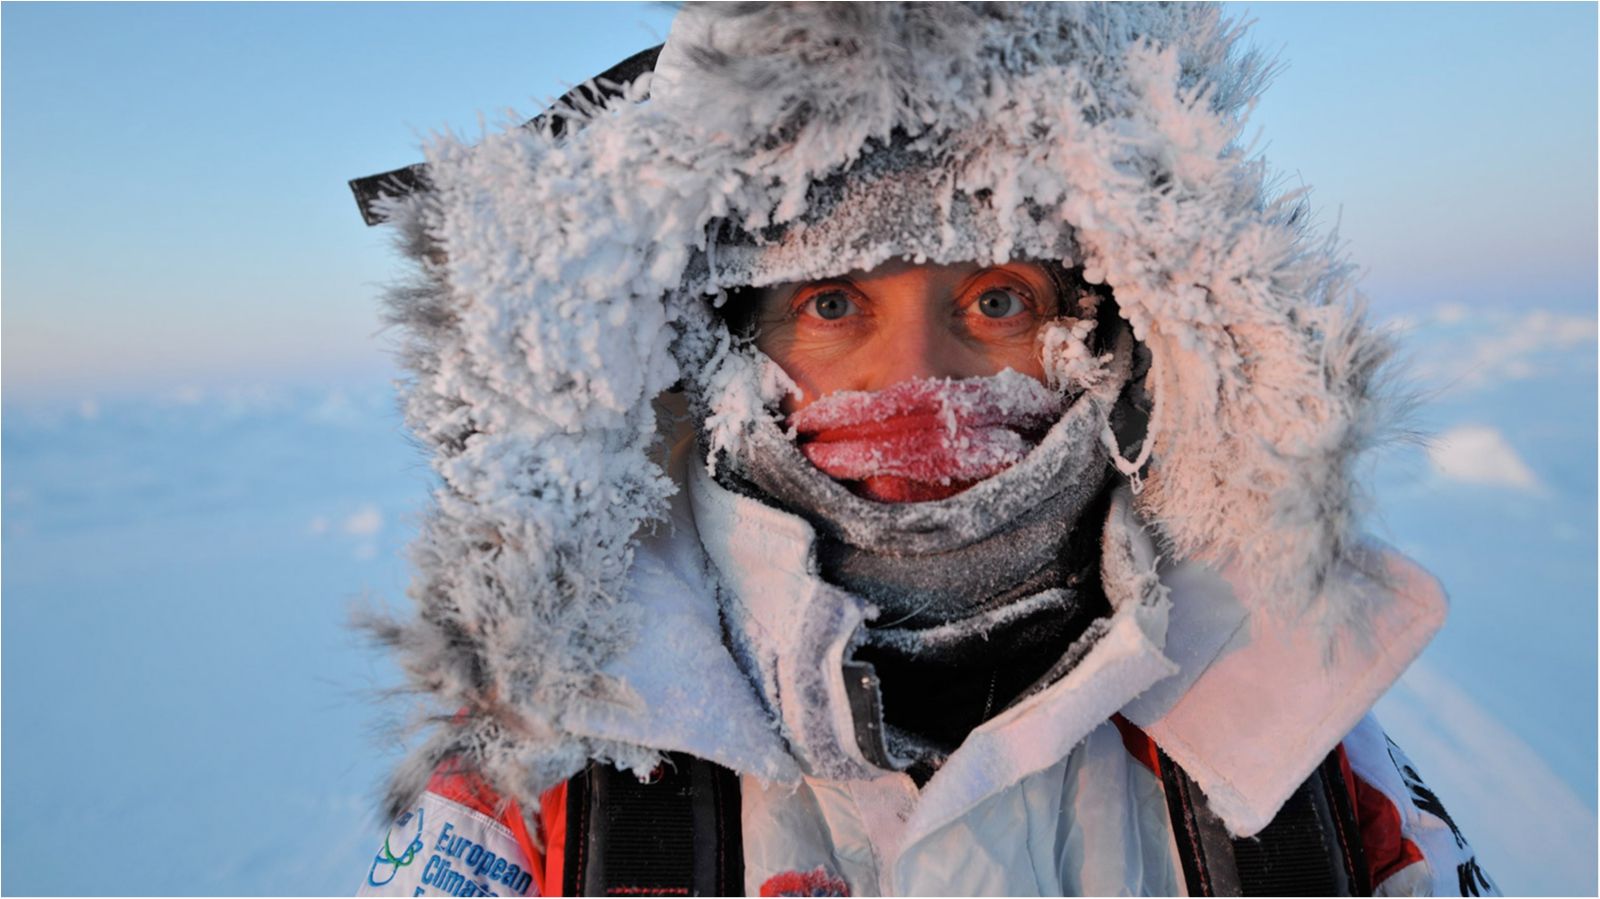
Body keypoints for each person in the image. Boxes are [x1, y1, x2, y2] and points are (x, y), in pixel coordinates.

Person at [350, 4, 1496, 896]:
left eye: (996, 298)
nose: (922, 383)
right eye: (836, 304)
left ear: (1108, 332)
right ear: (722, 351)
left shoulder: (1282, 728)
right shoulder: (541, 770)